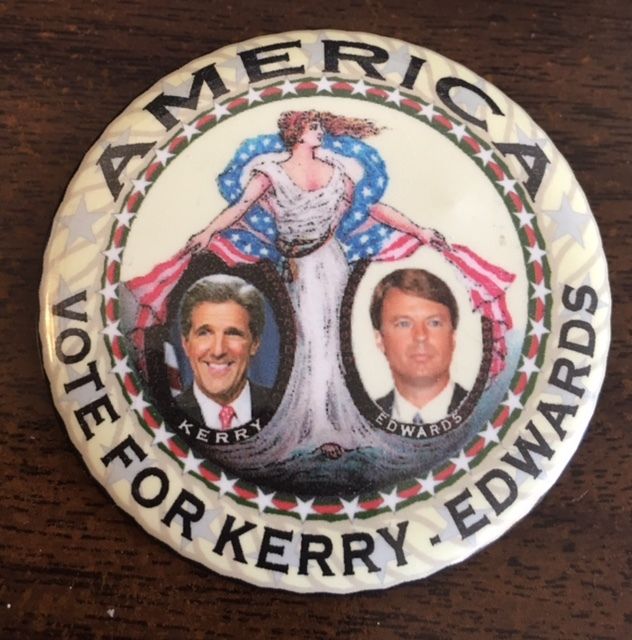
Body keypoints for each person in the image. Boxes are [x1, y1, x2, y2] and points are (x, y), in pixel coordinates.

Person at [127, 109, 514, 471]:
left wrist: (419, 230)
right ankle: (307, 425)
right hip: (296, 267)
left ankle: (334, 427)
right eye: (313, 127)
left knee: (330, 342)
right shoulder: (270, 172)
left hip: (331, 263)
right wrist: (209, 231)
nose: (320, 132)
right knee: (306, 341)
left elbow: (373, 209)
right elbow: (240, 207)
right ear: (297, 133)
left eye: (319, 127)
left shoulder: (338, 170)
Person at [370, 269, 467, 424]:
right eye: (404, 324)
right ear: (380, 340)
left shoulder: (485, 412)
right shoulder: (359, 423)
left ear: (453, 337)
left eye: (434, 323)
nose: (421, 336)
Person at [176, 274, 270, 429]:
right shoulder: (163, 417)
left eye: (233, 333)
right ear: (186, 344)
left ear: (254, 344)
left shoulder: (284, 410)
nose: (218, 351)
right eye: (204, 333)